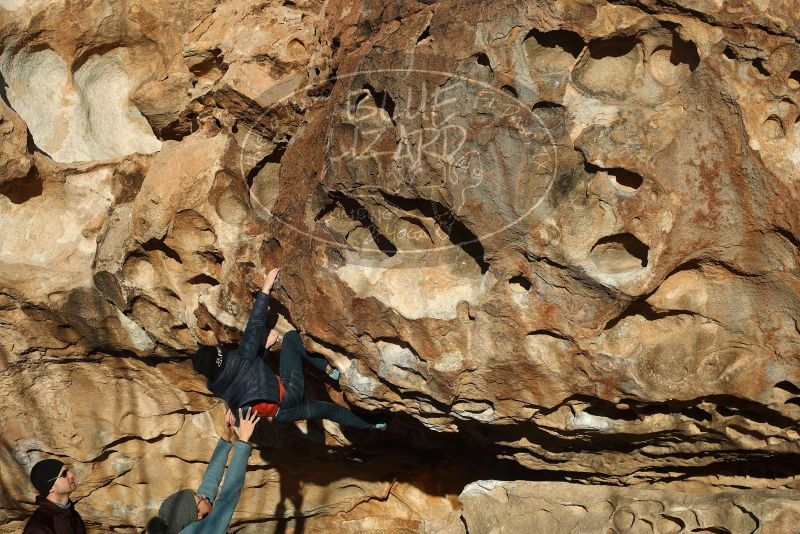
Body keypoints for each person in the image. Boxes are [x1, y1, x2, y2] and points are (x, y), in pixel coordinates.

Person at [193, 267, 385, 430]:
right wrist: (266, 288)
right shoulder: (241, 358)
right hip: (288, 391)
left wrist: (264, 349)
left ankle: (375, 425)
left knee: (330, 410)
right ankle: (329, 370)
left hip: (282, 413)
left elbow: (247, 383)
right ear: (220, 356)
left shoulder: (221, 389)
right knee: (292, 339)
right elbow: (254, 325)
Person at [146, 407, 259, 533]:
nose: (204, 495)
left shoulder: (188, 524)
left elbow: (208, 485)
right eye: (199, 497)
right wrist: (243, 442)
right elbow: (228, 498)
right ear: (198, 516)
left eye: (197, 494)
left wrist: (225, 438)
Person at [23, 458, 86, 534]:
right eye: (64, 474)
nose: (71, 475)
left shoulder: (72, 514)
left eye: (68, 470)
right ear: (50, 487)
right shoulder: (38, 528)